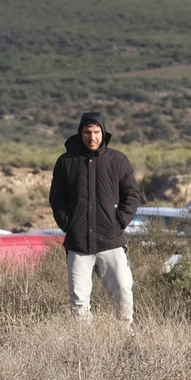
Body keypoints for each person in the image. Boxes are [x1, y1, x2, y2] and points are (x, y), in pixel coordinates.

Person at [48, 111, 142, 324]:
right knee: (78, 301)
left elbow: (132, 195)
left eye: (96, 132)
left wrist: (119, 222)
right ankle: (86, 345)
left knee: (123, 293)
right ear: (80, 133)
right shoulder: (66, 162)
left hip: (111, 241)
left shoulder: (118, 160)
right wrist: (68, 224)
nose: (92, 137)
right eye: (87, 132)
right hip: (78, 244)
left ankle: (124, 337)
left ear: (103, 133)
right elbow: (57, 198)